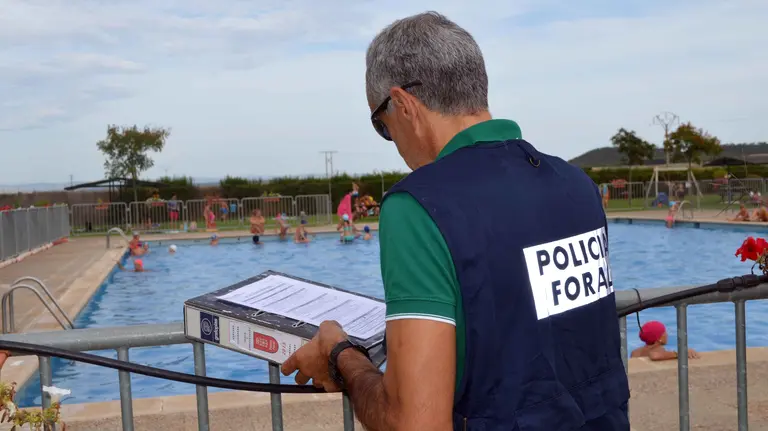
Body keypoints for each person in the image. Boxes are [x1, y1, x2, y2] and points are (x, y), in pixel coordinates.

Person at [281, 12, 629, 431]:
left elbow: (415, 422)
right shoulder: (576, 186)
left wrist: (340, 355)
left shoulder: (421, 205)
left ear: (404, 105)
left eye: (382, 125)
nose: (392, 142)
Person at [631, 321, 700, 361]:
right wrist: (680, 353)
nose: (667, 334)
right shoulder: (658, 350)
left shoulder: (635, 352)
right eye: (664, 332)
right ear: (659, 338)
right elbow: (654, 356)